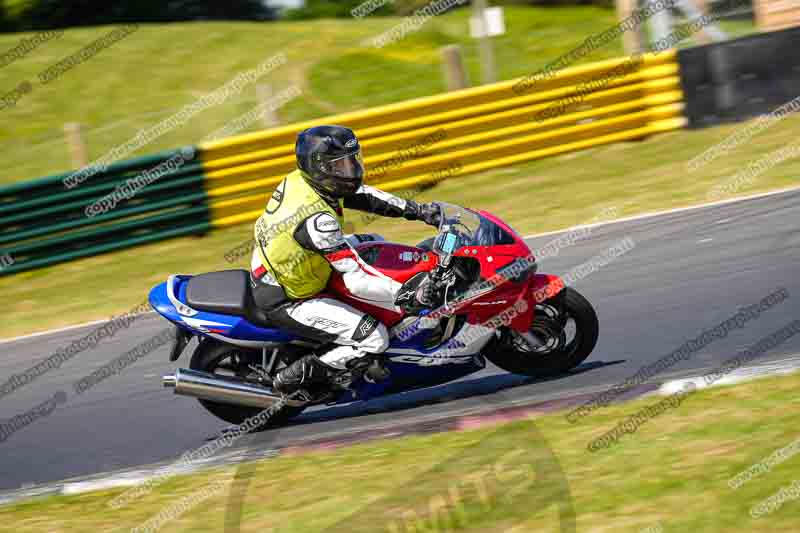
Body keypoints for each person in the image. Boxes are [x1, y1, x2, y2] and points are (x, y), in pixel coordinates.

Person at [250, 124, 441, 397]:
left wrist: (418, 211)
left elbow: (363, 195)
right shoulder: (317, 221)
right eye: (341, 165)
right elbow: (356, 280)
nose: (351, 170)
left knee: (374, 240)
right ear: (320, 168)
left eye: (353, 160)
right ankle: (286, 379)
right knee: (374, 337)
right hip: (291, 297)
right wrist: (410, 294)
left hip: (299, 265)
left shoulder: (303, 181)